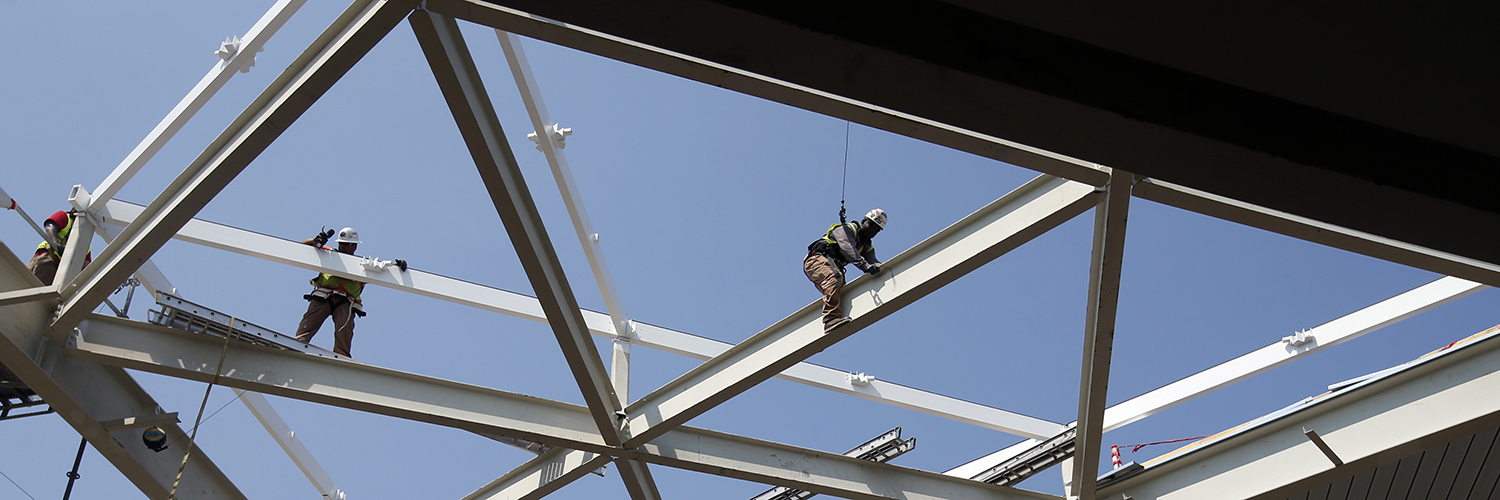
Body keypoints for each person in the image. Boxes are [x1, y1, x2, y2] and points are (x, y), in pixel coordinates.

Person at [804, 208, 887, 331]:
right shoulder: (846, 229)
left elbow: (875, 262)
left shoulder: (866, 247)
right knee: (834, 279)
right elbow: (848, 249)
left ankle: (834, 320)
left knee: (841, 290)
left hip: (830, 266)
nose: (873, 230)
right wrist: (866, 267)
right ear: (864, 221)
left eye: (877, 229)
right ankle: (830, 319)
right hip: (816, 260)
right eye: (871, 225)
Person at [294, 227, 366, 357]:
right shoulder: (329, 254)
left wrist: (398, 267)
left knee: (344, 330)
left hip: (346, 302)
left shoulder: (362, 265)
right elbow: (303, 246)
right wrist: (316, 240)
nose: (342, 247)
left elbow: (383, 271)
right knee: (309, 324)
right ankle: (297, 345)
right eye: (341, 243)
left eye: (346, 244)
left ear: (354, 246)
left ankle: (341, 357)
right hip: (324, 296)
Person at [28, 209, 91, 285]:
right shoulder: (65, 217)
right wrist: (56, 244)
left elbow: (85, 266)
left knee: (45, 292)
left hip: (59, 271)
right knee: (34, 286)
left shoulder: (85, 242)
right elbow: (50, 227)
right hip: (48, 256)